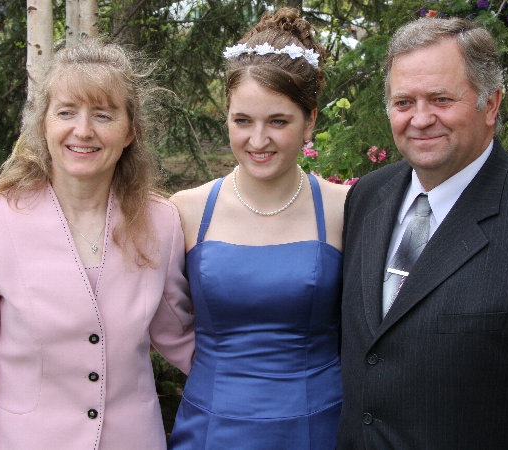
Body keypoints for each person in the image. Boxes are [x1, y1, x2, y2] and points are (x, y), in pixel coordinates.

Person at [337, 16, 508, 449]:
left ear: (491, 104)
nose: (420, 119)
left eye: (441, 99)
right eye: (404, 102)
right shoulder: (367, 196)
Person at [0, 40, 194, 449]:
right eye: (66, 112)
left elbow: (180, 337)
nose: (83, 130)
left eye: (103, 114)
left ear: (130, 131)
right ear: (43, 123)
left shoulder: (160, 222)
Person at [168, 8, 349, 449]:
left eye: (278, 121)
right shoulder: (186, 211)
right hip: (212, 428)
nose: (258, 140)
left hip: (317, 426)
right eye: (243, 121)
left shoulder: (344, 208)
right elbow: (163, 320)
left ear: (310, 120)